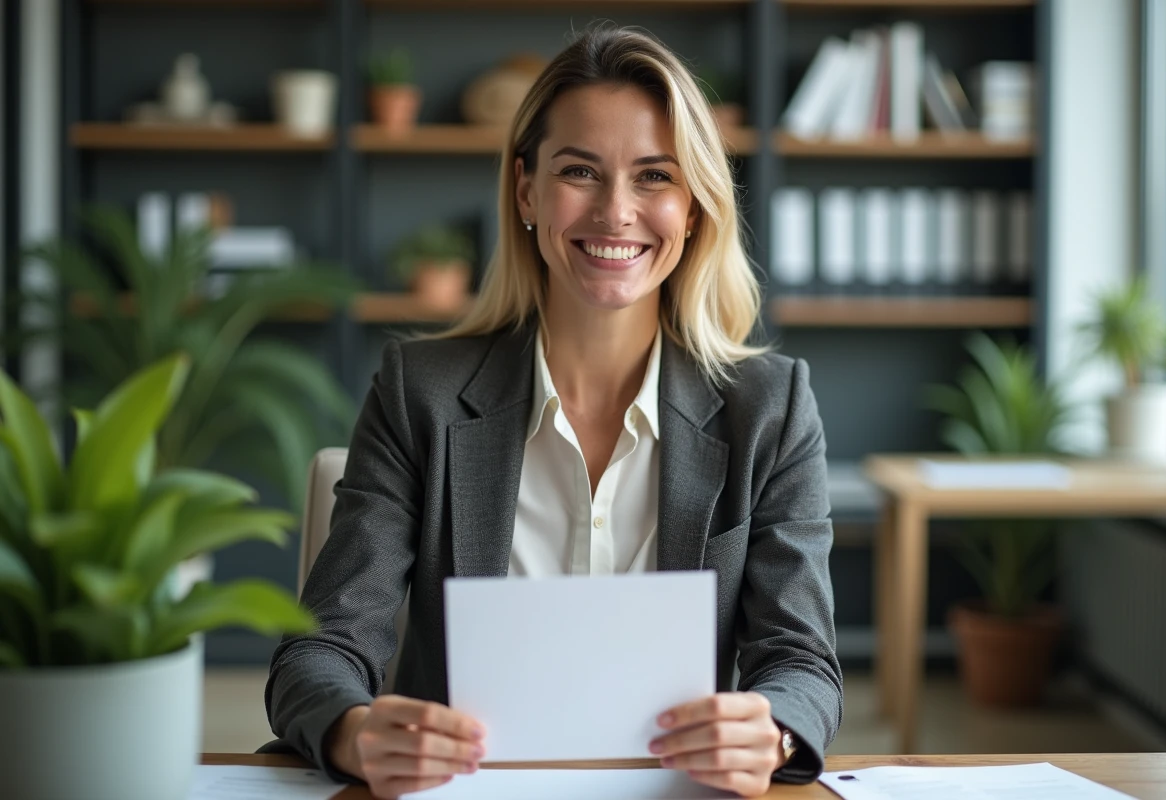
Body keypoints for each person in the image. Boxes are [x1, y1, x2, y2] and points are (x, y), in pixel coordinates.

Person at [265, 26, 842, 799]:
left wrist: (769, 730)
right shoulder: (419, 394)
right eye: (580, 171)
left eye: (654, 177)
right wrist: (356, 732)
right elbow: (319, 652)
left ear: (695, 206)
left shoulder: (769, 410)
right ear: (527, 190)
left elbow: (802, 665)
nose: (615, 211)